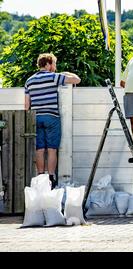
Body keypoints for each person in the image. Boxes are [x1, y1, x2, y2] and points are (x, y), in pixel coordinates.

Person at [24, 53, 81, 189]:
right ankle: (51, 178)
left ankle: (40, 178)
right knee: (51, 149)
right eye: (54, 64)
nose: (55, 67)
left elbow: (26, 106)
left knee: (39, 149)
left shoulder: (29, 81)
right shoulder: (54, 77)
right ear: (48, 64)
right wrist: (65, 73)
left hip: (36, 118)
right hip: (51, 117)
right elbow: (76, 80)